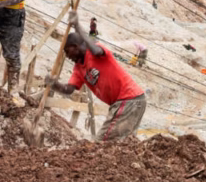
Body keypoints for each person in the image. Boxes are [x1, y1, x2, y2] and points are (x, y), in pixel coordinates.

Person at [45, 13, 147, 142]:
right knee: (123, 144)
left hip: (128, 99)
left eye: (67, 51)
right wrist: (54, 84)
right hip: (128, 101)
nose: (67, 56)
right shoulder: (78, 69)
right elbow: (69, 89)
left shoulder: (96, 52)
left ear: (76, 47)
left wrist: (78, 27)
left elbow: (96, 50)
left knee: (102, 143)